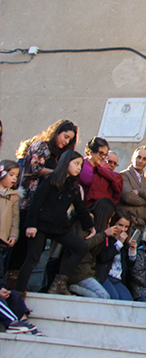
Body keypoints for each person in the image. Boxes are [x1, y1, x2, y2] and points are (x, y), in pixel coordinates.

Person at [7, 120, 78, 282]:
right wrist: (58, 172)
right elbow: (33, 169)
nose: (66, 142)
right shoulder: (41, 146)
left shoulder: (59, 154)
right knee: (20, 243)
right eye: (65, 137)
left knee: (31, 248)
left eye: (70, 140)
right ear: (56, 132)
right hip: (29, 200)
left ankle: (19, 280)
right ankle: (10, 277)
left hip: (43, 207)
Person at [15, 150, 94, 294]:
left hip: (59, 227)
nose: (78, 168)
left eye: (80, 165)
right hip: (40, 225)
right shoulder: (50, 179)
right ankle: (18, 292)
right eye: (76, 164)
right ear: (66, 163)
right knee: (32, 258)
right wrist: (31, 225)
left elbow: (80, 208)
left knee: (81, 247)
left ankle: (59, 282)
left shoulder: (74, 186)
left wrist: (90, 226)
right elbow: (36, 203)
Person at [67, 198, 118, 299]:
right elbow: (82, 246)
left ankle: (74, 288)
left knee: (102, 297)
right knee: (104, 296)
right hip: (77, 271)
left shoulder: (99, 227)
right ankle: (72, 288)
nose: (109, 221)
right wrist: (103, 234)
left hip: (87, 272)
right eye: (109, 217)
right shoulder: (85, 222)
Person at [119, 147, 146, 234]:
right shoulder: (123, 175)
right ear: (132, 158)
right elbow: (128, 197)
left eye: (144, 159)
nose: (140, 161)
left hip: (140, 227)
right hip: (125, 225)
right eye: (138, 157)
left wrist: (140, 192)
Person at [96, 213, 136, 300]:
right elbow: (104, 257)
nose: (122, 229)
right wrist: (119, 243)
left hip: (118, 279)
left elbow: (129, 266)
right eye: (120, 225)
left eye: (126, 227)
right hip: (105, 276)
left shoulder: (125, 244)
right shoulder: (107, 239)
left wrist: (132, 251)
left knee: (128, 300)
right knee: (114, 298)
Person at [82, 137, 124, 207]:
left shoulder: (101, 169)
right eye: (101, 153)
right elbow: (92, 181)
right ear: (91, 151)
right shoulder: (82, 164)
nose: (103, 157)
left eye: (105, 154)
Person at [0, 160, 21, 277]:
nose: (14, 178)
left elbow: (15, 218)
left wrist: (13, 235)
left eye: (16, 176)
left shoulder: (13, 196)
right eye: (11, 174)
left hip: (3, 237)